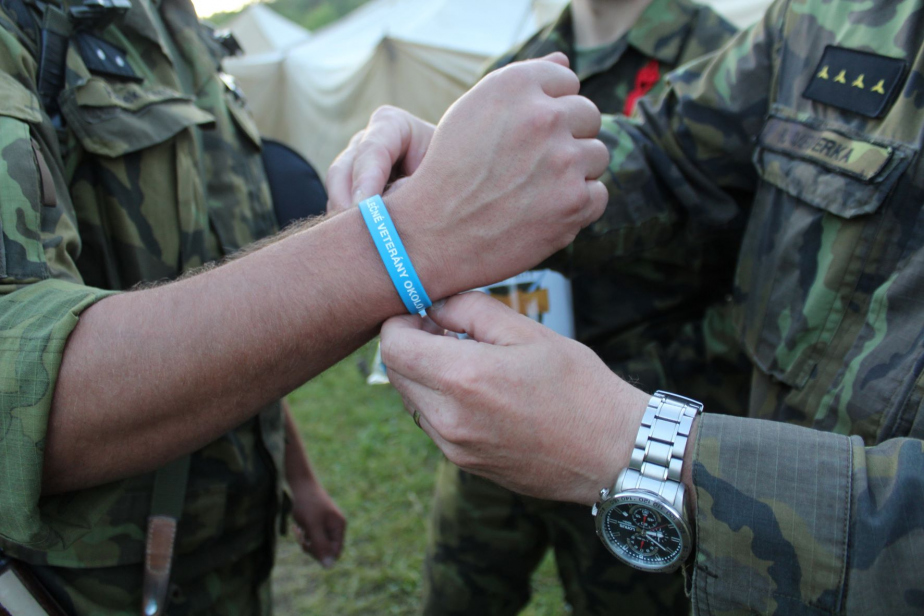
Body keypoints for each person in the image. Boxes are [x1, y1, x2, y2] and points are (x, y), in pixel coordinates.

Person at [0, 0, 607, 612]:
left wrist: (297, 475)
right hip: (91, 585)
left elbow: (218, 284)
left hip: (234, 549)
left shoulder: (178, 30)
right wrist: (411, 233)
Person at [344, 0, 924, 613]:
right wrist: (474, 174)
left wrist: (634, 434)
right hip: (552, 408)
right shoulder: (832, 16)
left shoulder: (713, 36)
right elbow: (672, 153)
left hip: (692, 469)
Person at [415, 0, 743, 613]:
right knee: (457, 593)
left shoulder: (723, 60)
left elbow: (754, 271)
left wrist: (667, 387)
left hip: (635, 434)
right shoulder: (514, 70)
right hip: (499, 402)